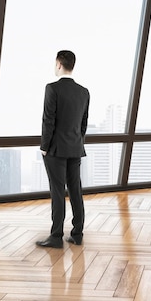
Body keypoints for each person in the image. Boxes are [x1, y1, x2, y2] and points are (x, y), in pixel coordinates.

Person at [36, 50, 90, 248]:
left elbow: (48, 120)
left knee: (57, 191)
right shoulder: (84, 91)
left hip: (56, 150)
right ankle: (77, 233)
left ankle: (56, 236)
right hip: (75, 148)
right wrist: (78, 141)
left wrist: (44, 146)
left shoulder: (52, 88)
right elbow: (84, 123)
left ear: (59, 64)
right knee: (75, 190)